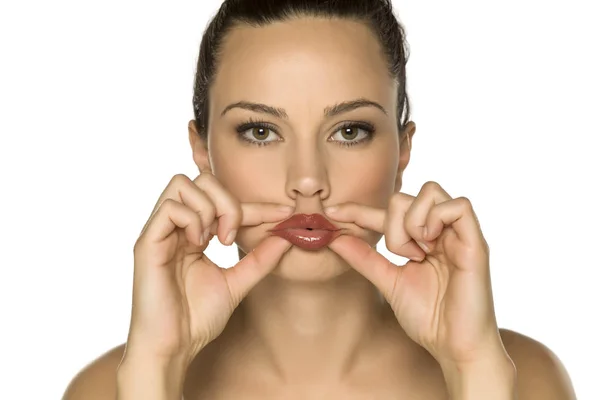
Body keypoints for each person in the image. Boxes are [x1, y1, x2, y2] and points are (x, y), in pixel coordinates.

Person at [62, 0, 577, 399]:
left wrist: (472, 370)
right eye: (261, 131)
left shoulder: (523, 380)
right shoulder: (109, 389)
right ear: (202, 150)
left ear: (403, 152)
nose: (307, 180)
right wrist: (157, 368)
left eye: (349, 130)